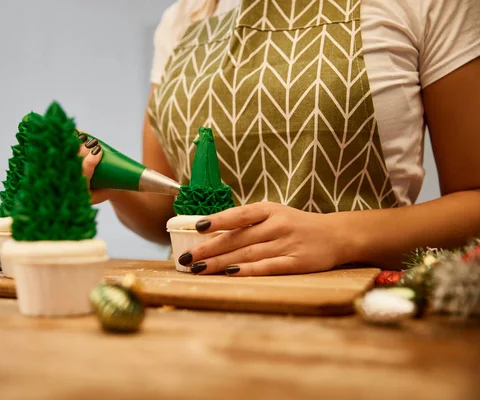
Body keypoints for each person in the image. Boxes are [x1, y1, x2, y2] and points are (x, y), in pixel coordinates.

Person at [78, 0, 480, 276]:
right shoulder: (184, 18)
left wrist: (340, 237)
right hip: (190, 319)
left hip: (361, 317)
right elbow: (165, 216)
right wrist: (109, 178)